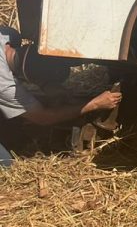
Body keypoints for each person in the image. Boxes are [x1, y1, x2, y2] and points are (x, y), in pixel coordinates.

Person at [0, 25, 121, 166]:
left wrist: (46, 86)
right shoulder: (5, 85)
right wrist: (94, 104)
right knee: (6, 163)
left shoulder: (8, 35)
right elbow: (43, 118)